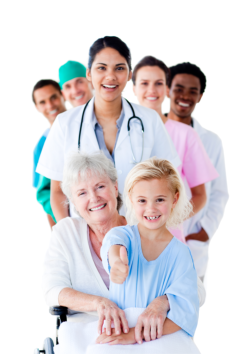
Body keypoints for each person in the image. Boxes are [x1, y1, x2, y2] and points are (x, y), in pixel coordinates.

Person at [43, 152, 204, 353]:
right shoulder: (67, 232)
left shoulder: (147, 227)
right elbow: (53, 291)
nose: (94, 198)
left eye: (100, 186)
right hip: (88, 326)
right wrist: (100, 302)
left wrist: (164, 302)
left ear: (116, 187)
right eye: (82, 193)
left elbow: (195, 292)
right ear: (73, 202)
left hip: (146, 326)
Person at [37, 36, 181, 222]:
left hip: (139, 233)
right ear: (89, 73)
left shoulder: (149, 120)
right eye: (101, 68)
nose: (110, 76)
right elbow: (57, 192)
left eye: (119, 68)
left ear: (130, 74)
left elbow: (169, 180)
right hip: (85, 237)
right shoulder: (64, 123)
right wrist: (69, 235)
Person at [99, 158, 199, 346]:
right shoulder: (122, 236)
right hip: (118, 334)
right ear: (130, 199)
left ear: (174, 199)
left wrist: (133, 335)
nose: (151, 208)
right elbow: (114, 247)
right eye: (142, 200)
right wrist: (116, 263)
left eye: (160, 199)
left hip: (159, 339)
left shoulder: (181, 254)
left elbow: (185, 313)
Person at [132, 56, 218, 242]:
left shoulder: (186, 134)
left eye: (159, 83)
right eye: (144, 83)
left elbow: (200, 196)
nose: (152, 90)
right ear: (134, 88)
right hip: (128, 235)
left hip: (170, 238)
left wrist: (167, 220)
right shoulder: (120, 132)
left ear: (167, 89)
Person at [167, 62, 229, 279]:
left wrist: (204, 231)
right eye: (179, 89)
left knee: (186, 308)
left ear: (200, 96)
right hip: (154, 238)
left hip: (192, 242)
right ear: (168, 90)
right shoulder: (153, 131)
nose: (185, 96)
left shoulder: (210, 141)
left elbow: (219, 192)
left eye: (193, 91)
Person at [32, 79, 66, 227]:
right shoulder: (41, 147)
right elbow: (45, 195)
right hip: (67, 218)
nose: (50, 105)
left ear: (62, 95)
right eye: (42, 102)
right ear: (37, 107)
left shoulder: (86, 125)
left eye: (53, 97)